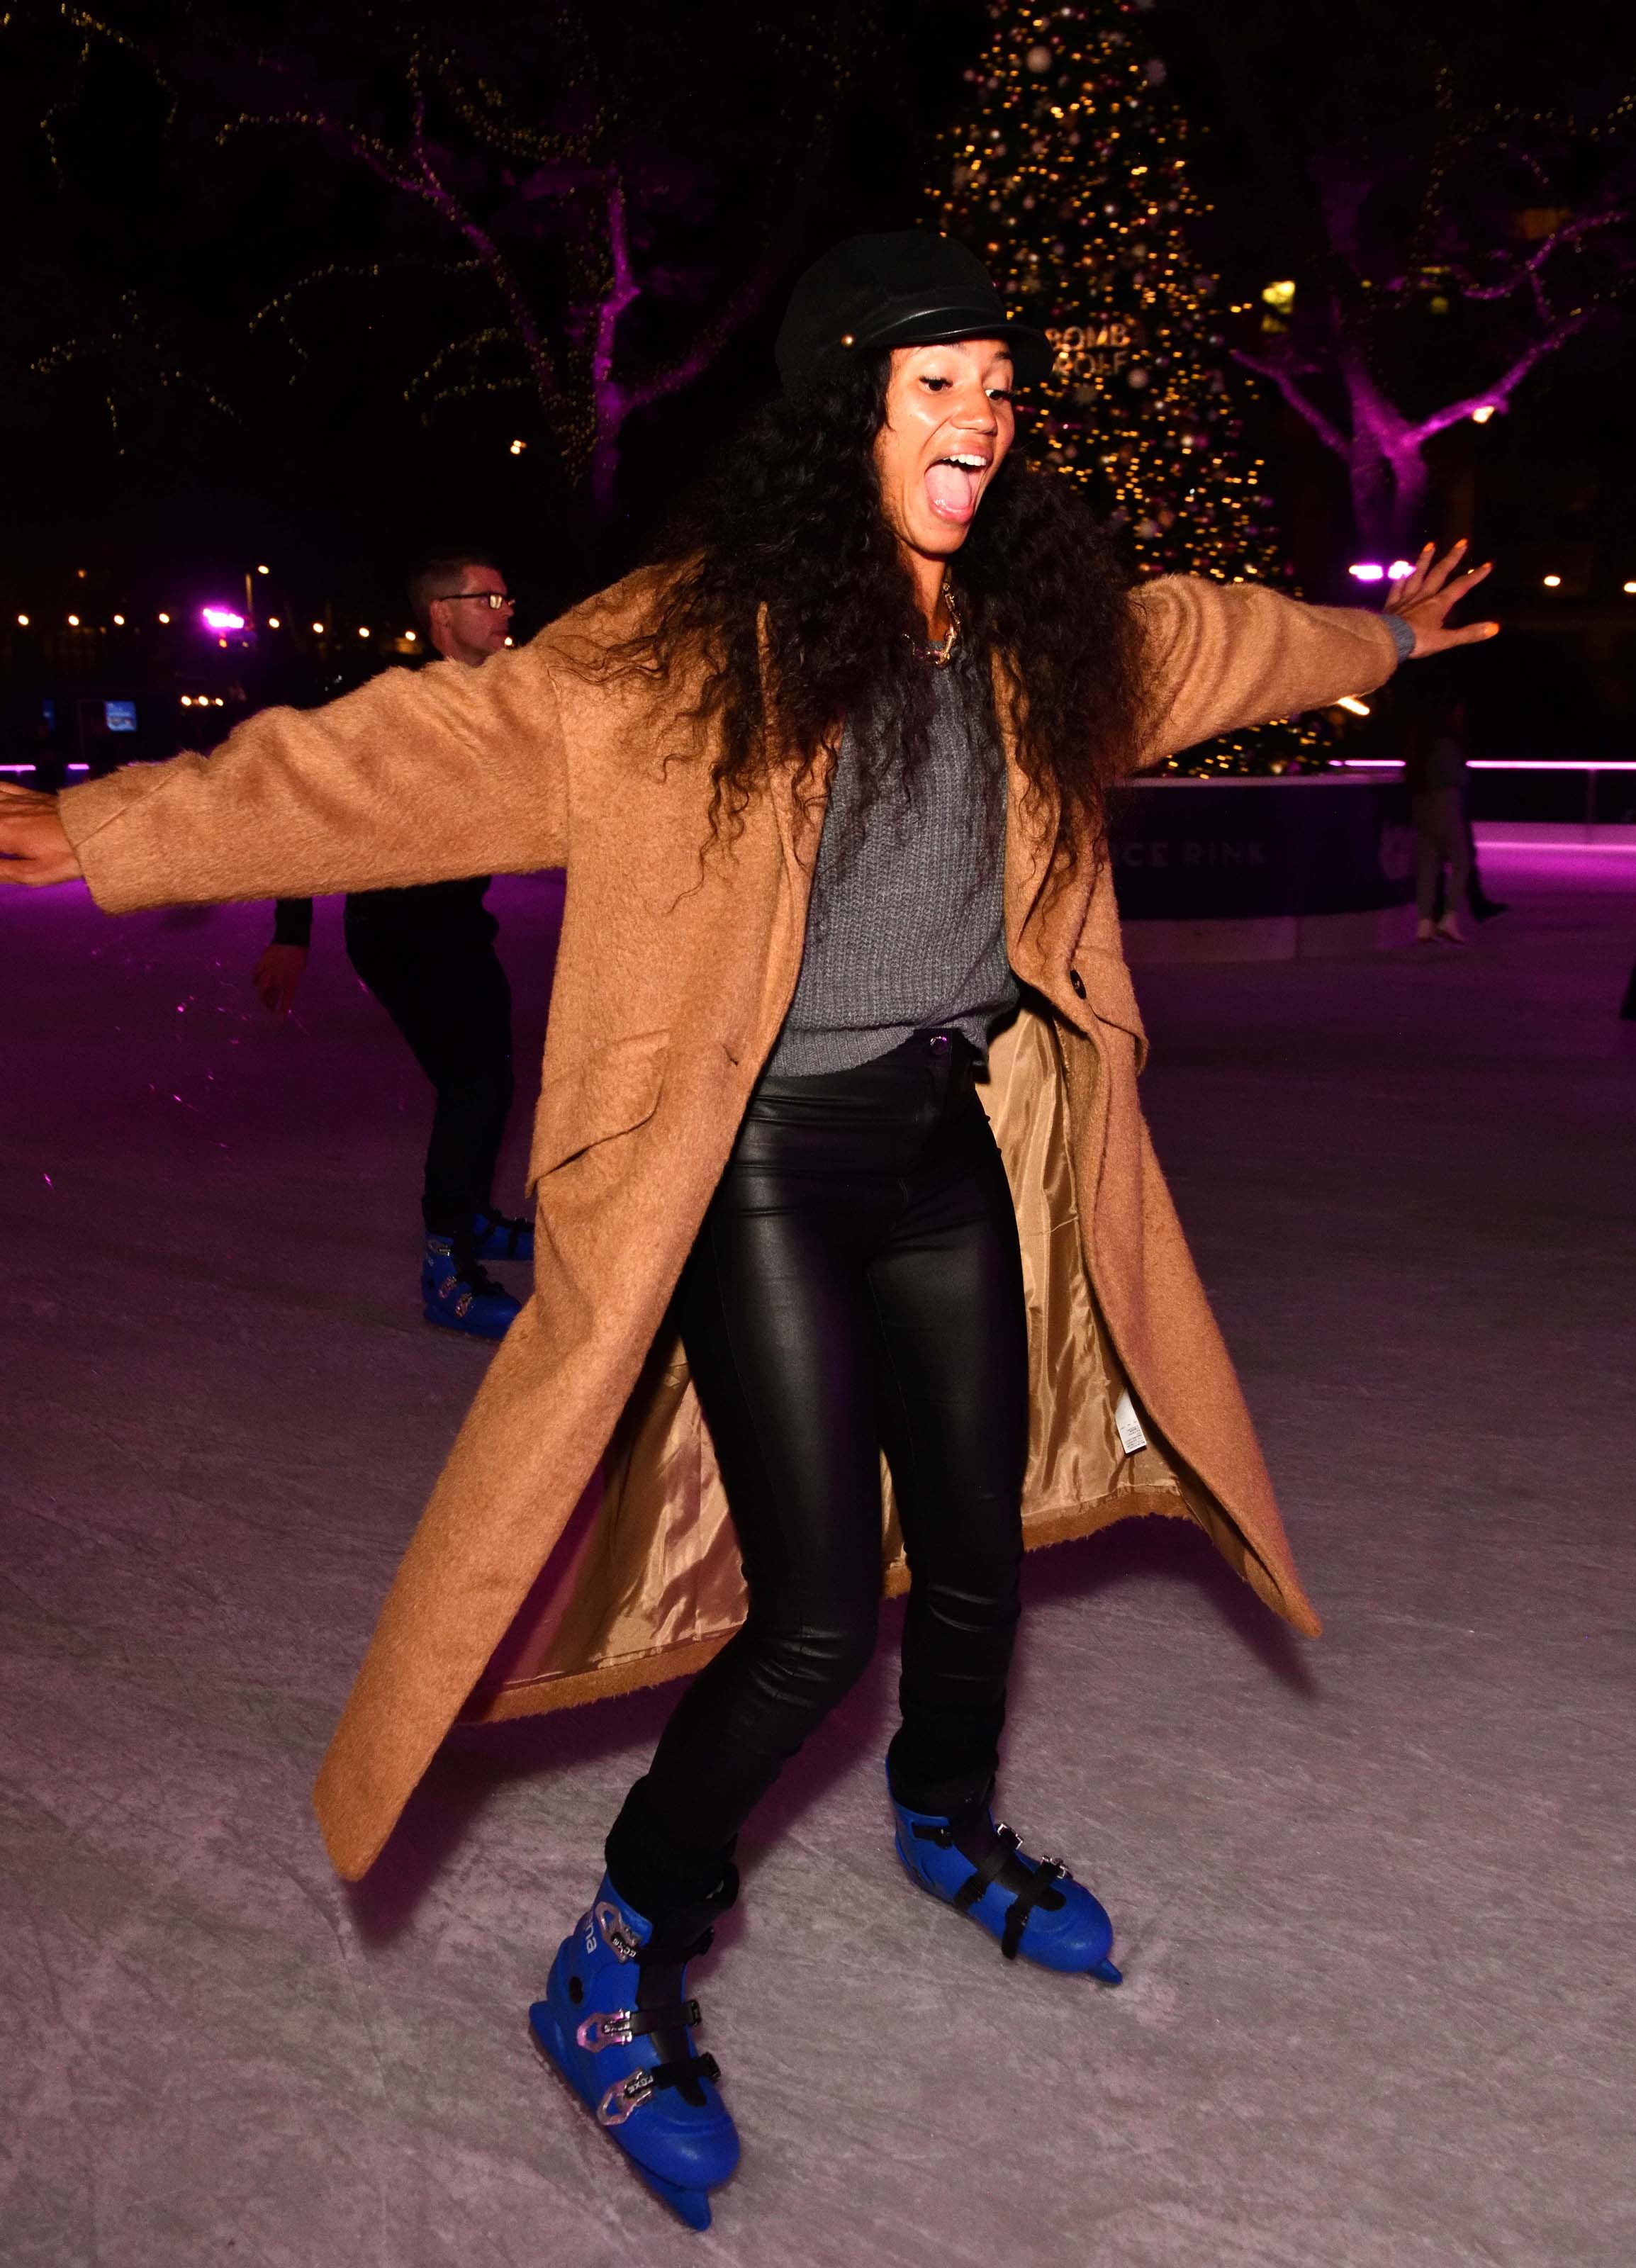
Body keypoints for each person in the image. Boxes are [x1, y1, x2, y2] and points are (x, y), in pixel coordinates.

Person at [0, 232, 1498, 2233]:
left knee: (968, 1553)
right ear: (841, 407)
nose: (976, 415)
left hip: (942, 1141)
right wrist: (112, 833)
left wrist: (1377, 645)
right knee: (808, 1615)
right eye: (932, 380)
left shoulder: (1040, 631)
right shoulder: (684, 653)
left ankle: (949, 1823)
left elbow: (1210, 643)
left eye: (995, 382)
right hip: (762, 1169)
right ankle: (616, 1953)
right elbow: (423, 752)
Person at [252, 554, 535, 1340]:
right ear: (442, 615)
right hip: (400, 933)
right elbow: (304, 809)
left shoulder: (495, 695)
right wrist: (291, 931)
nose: (506, 609)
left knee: (489, 1080)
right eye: (489, 598)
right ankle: (446, 1269)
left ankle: (472, 1219)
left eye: (507, 596)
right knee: (475, 1086)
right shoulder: (387, 707)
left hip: (460, 925)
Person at [1404, 688, 1475, 945]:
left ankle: (1424, 924)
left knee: (1429, 866)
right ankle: (1449, 918)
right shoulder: (1445, 744)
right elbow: (1458, 777)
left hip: (1423, 809)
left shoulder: (1420, 746)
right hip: (1445, 807)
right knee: (1461, 862)